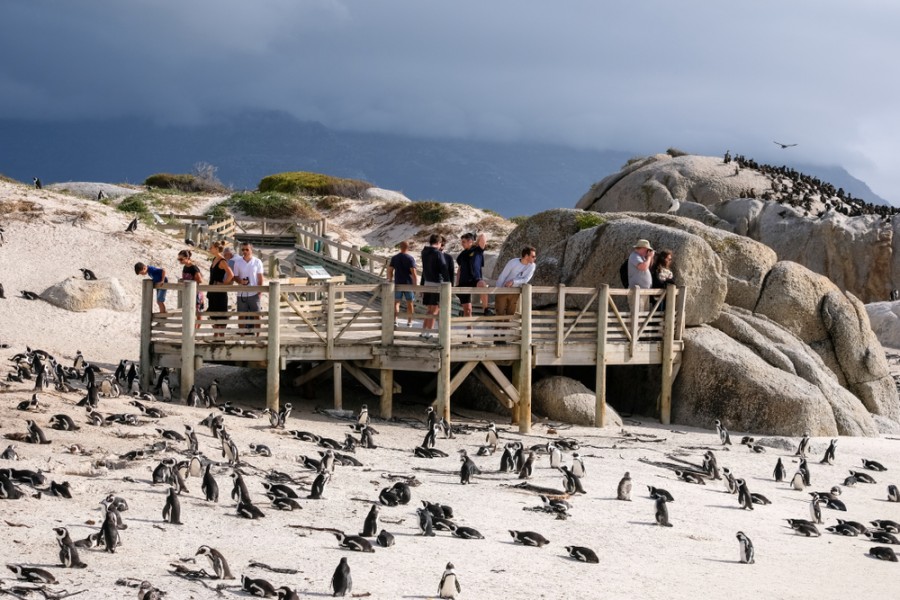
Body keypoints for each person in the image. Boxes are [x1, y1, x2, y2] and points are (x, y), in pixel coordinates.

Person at [231, 242, 265, 331]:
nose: (244, 251)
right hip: (241, 293)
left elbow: (260, 279)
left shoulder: (257, 261)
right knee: (241, 316)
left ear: (251, 250)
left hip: (254, 293)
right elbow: (235, 276)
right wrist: (241, 281)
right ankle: (241, 336)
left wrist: (259, 292)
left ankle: (258, 336)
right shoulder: (237, 262)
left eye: (247, 249)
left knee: (257, 316)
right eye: (243, 249)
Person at [494, 246, 537, 316]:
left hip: (515, 292)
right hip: (503, 289)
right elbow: (503, 275)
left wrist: (513, 282)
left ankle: (507, 327)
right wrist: (498, 290)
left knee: (510, 314)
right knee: (499, 313)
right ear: (526, 256)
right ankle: (499, 327)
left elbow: (526, 279)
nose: (535, 258)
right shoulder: (513, 262)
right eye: (533, 256)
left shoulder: (532, 266)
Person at [420, 233, 449, 337]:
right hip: (436, 284)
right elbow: (444, 268)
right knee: (435, 310)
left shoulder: (424, 252)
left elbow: (423, 271)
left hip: (427, 283)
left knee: (429, 310)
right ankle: (429, 333)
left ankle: (423, 332)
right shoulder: (438, 253)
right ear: (439, 243)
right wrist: (448, 282)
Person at [455, 232, 488, 317]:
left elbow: (483, 236)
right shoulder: (461, 255)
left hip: (475, 279)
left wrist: (474, 242)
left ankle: (486, 309)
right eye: (462, 242)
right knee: (468, 310)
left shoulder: (478, 250)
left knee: (482, 284)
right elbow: (459, 270)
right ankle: (469, 329)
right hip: (463, 282)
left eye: (464, 242)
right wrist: (457, 283)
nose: (462, 244)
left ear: (470, 241)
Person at [387, 240, 417, 327]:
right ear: (408, 248)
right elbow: (413, 273)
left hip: (398, 283)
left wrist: (390, 279)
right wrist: (415, 285)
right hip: (408, 284)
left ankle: (395, 320)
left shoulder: (395, 258)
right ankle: (409, 322)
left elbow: (390, 270)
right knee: (410, 303)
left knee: (396, 303)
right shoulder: (410, 258)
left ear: (400, 247)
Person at [207, 240, 235, 335]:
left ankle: (221, 339)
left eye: (211, 247)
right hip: (212, 290)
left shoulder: (222, 261)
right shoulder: (214, 259)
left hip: (219, 292)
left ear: (216, 249)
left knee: (221, 315)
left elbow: (231, 274)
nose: (210, 249)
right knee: (213, 313)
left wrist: (223, 284)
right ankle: (215, 337)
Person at [628, 239, 655, 314]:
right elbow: (643, 267)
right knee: (637, 316)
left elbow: (649, 265)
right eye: (647, 250)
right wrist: (649, 257)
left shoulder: (642, 257)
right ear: (643, 248)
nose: (648, 252)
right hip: (637, 292)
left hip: (644, 291)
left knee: (644, 316)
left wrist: (650, 257)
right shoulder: (634, 256)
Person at [177, 249, 204, 325]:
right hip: (189, 293)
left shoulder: (193, 268)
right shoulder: (185, 267)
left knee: (198, 313)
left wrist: (191, 281)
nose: (180, 261)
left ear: (187, 258)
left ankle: (196, 331)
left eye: (181, 259)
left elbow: (200, 280)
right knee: (190, 312)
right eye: (178, 259)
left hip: (196, 293)